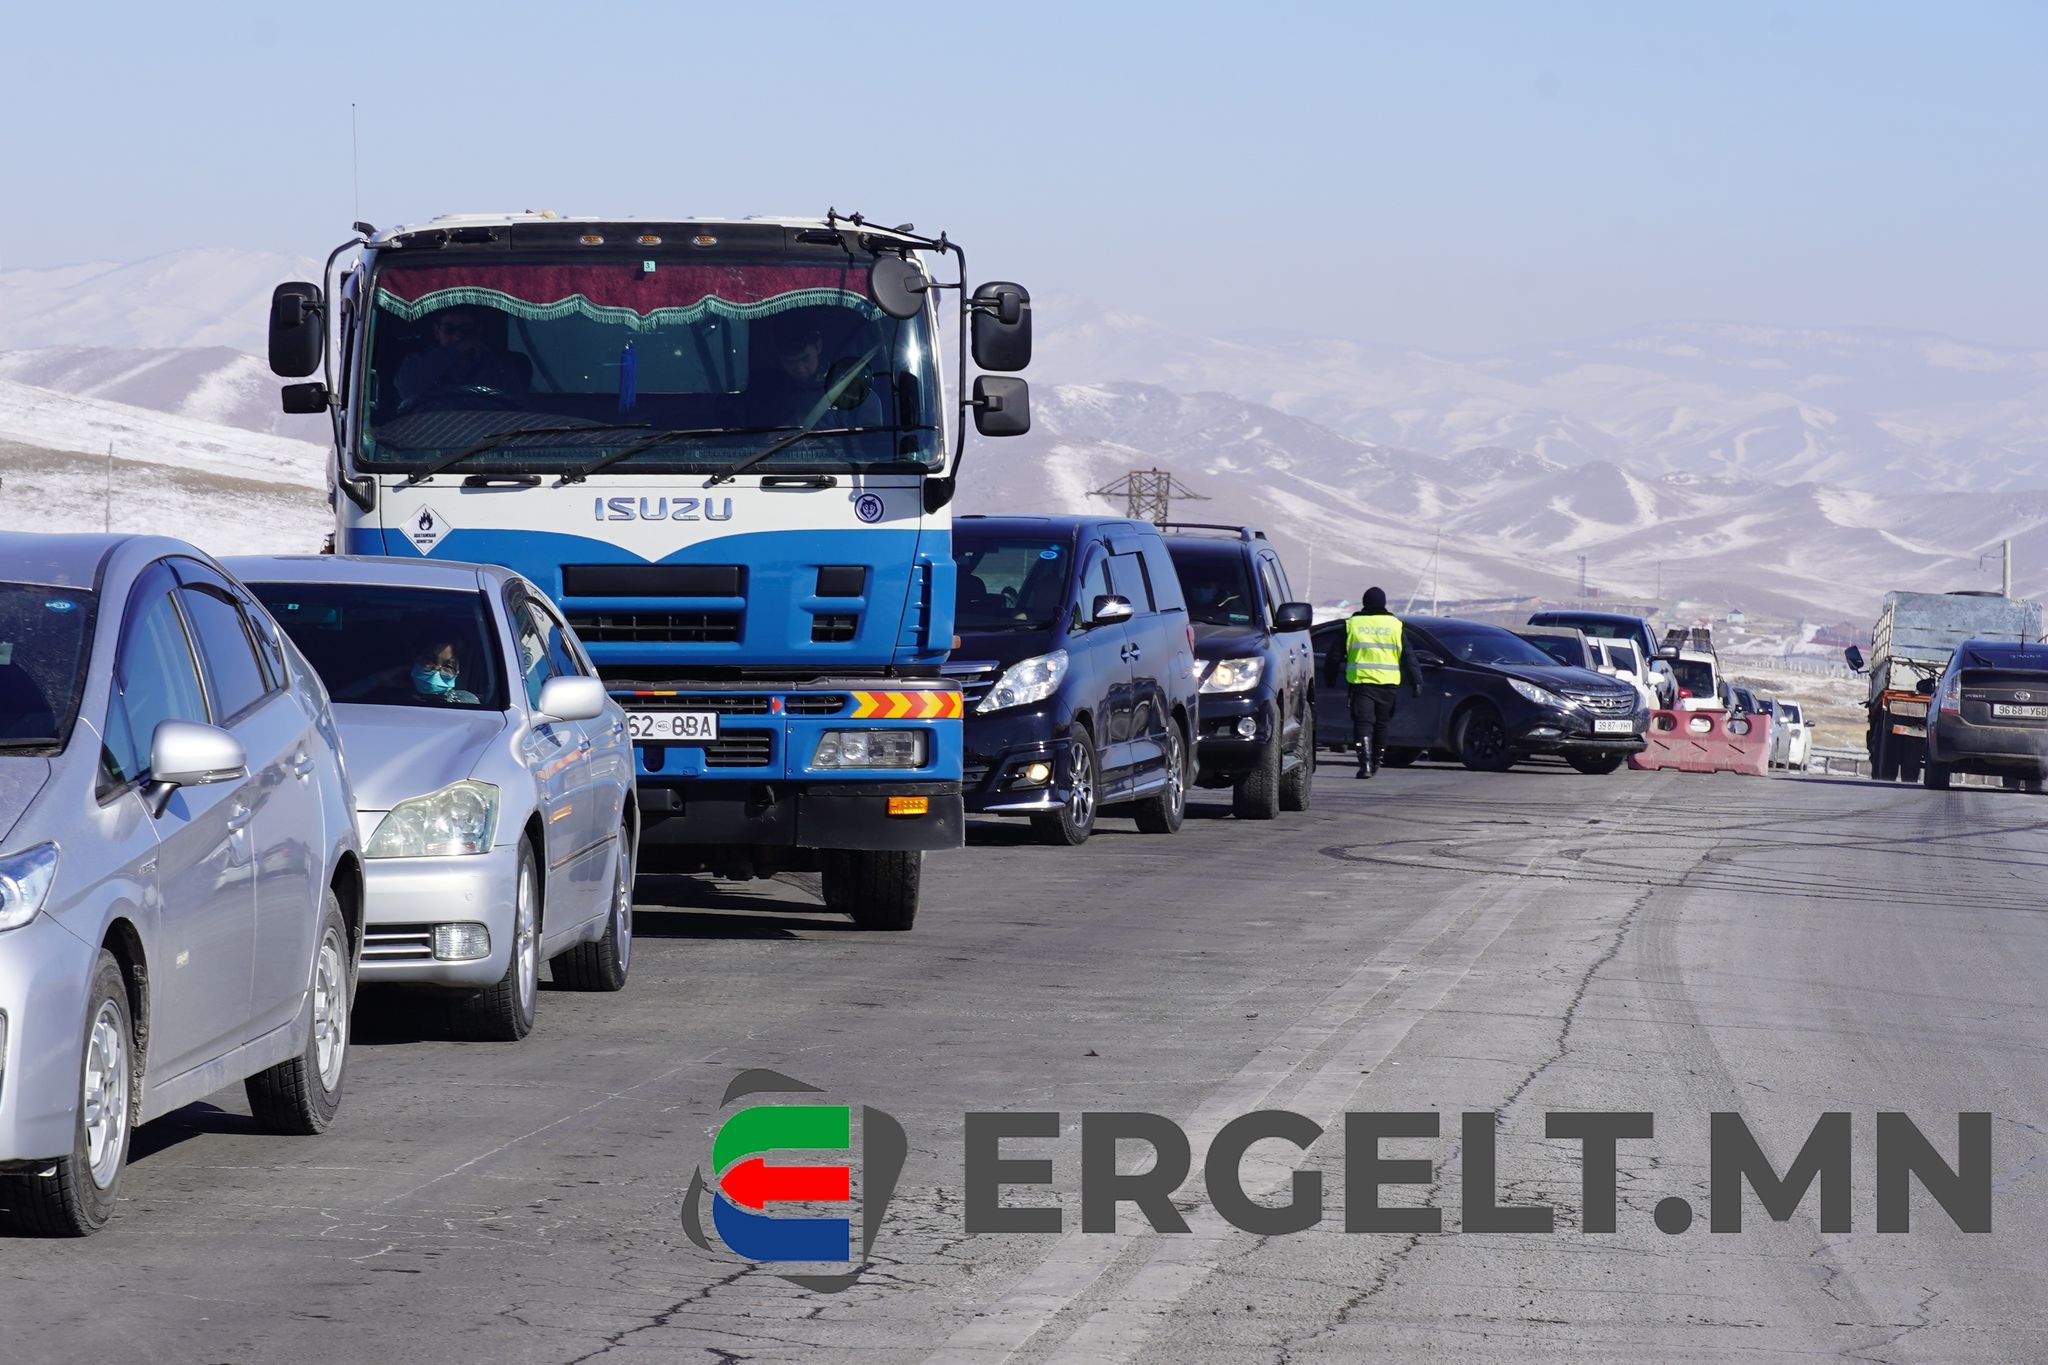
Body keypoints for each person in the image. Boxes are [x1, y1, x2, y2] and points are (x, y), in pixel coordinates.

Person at [1332, 586, 1419, 778]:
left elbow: (1335, 654)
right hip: (1388, 684)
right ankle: (1376, 762)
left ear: (1364, 603)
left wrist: (1330, 678)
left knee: (1363, 723)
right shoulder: (1395, 625)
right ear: (1383, 603)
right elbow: (1408, 655)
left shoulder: (1352, 624)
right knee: (1381, 724)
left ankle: (1365, 765)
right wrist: (1416, 680)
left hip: (1362, 682)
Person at [393, 305, 531, 409]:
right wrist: (450, 352)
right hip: (432, 432)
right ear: (436, 331)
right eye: (449, 329)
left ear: (478, 330)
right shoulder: (416, 364)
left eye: (466, 329)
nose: (457, 336)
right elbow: (406, 389)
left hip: (486, 433)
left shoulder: (501, 365)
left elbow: (517, 404)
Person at [405, 637, 480, 706]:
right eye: (429, 660)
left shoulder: (467, 702)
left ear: (457, 672)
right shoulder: (399, 700)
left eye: (448, 666)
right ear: (414, 660)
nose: (437, 668)